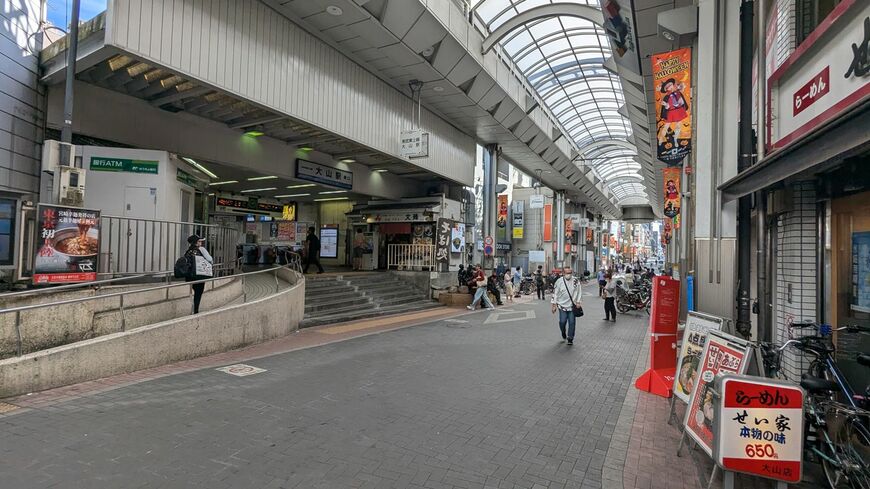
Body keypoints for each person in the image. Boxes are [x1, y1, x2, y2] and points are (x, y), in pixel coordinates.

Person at [551, 266, 582, 345]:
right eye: (567, 273)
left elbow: (579, 291)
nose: (569, 274)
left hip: (572, 305)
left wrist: (578, 301)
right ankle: (563, 332)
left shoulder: (576, 281)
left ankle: (570, 338)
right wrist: (554, 305)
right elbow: (555, 293)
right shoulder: (559, 281)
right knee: (562, 321)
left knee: (572, 322)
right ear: (563, 273)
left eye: (570, 273)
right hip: (562, 305)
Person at [184, 234, 213, 314]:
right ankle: (195, 310)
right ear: (196, 242)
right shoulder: (201, 249)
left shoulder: (188, 251)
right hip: (199, 275)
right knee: (198, 293)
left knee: (193, 292)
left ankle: (192, 308)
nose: (201, 243)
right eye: (199, 241)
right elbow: (210, 259)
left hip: (190, 276)